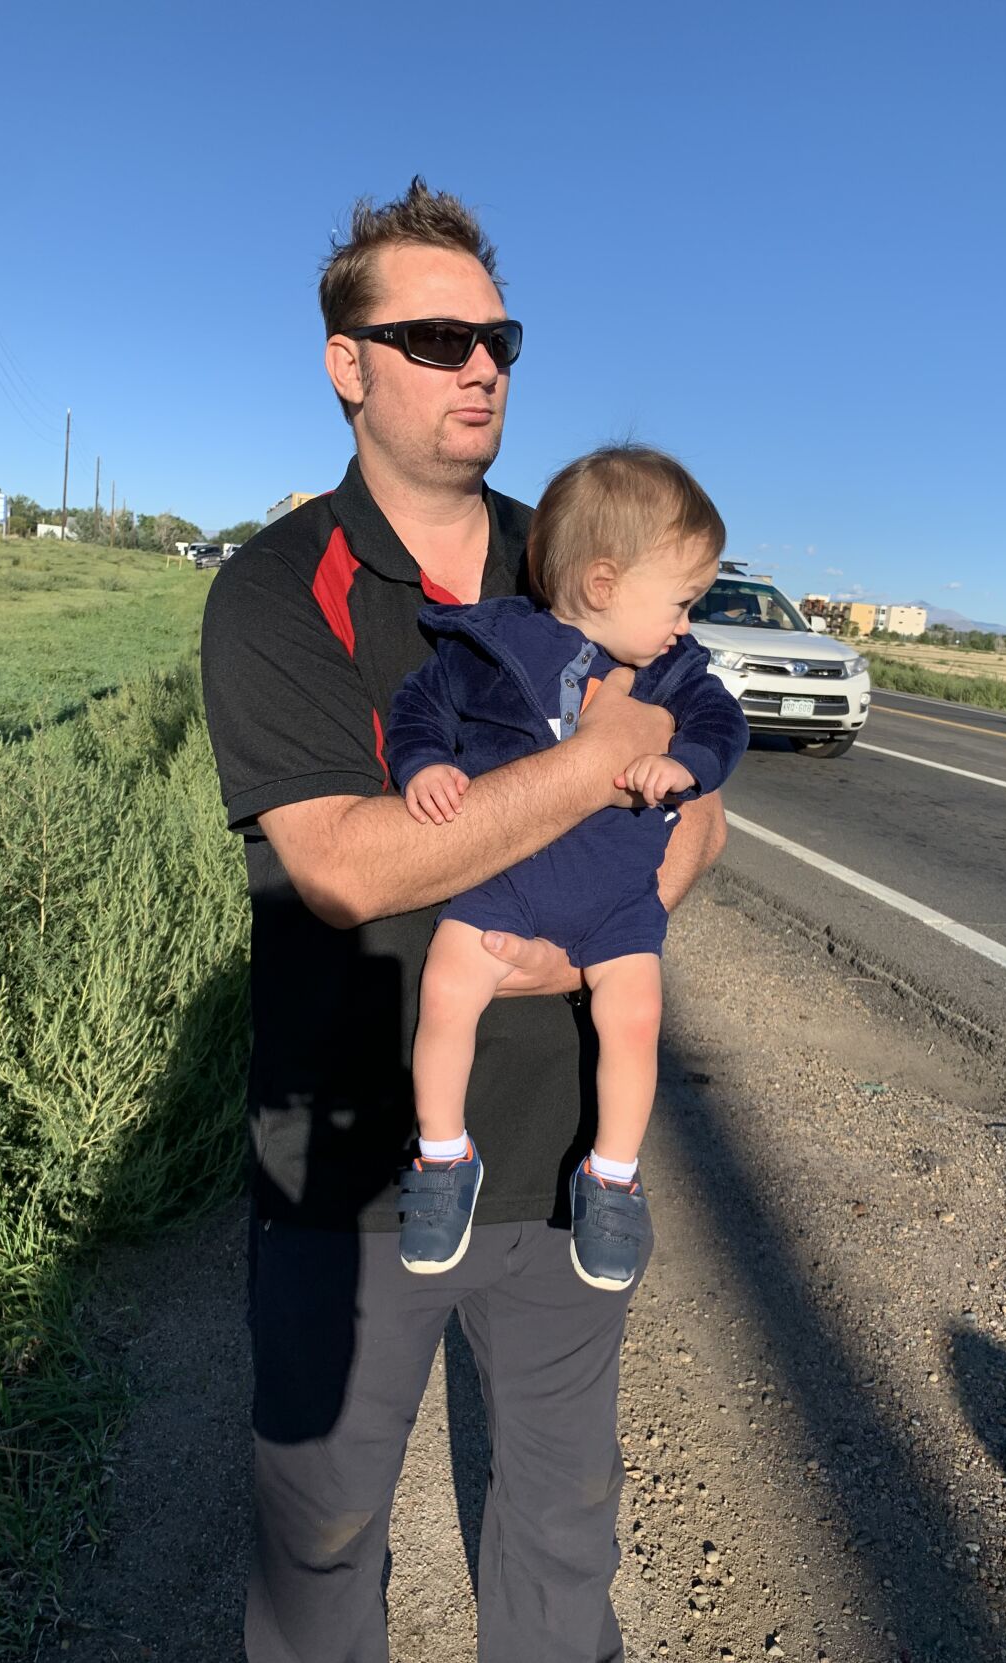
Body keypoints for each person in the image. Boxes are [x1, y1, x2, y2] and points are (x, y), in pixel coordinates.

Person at [200, 178, 729, 1663]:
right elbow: (350, 867)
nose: (479, 363)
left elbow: (700, 801)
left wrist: (608, 919)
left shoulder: (570, 552)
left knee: (562, 1539)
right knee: (319, 1545)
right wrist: (587, 759)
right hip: (355, 1172)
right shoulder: (272, 591)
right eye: (431, 336)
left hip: (563, 1166)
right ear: (346, 365)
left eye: (495, 334)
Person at [388, 447, 749, 1289]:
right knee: (445, 992)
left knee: (634, 1017)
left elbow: (722, 725)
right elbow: (419, 706)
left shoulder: (676, 674)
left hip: (617, 897)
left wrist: (687, 763)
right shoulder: (492, 648)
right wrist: (421, 764)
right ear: (601, 583)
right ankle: (443, 1152)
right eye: (680, 601)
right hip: (505, 880)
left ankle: (611, 1174)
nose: (685, 625)